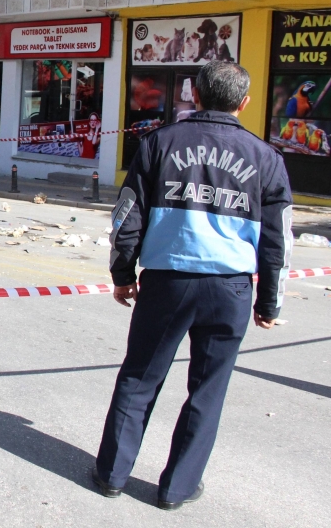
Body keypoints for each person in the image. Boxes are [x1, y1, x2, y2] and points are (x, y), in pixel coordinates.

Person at [92, 61, 292, 511]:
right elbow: (279, 240)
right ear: (244, 103)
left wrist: (123, 274)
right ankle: (176, 490)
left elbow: (126, 215)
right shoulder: (267, 159)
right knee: (208, 390)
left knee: (140, 378)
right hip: (231, 290)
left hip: (168, 283)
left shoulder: (158, 143)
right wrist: (269, 302)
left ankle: (111, 476)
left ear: (194, 96)